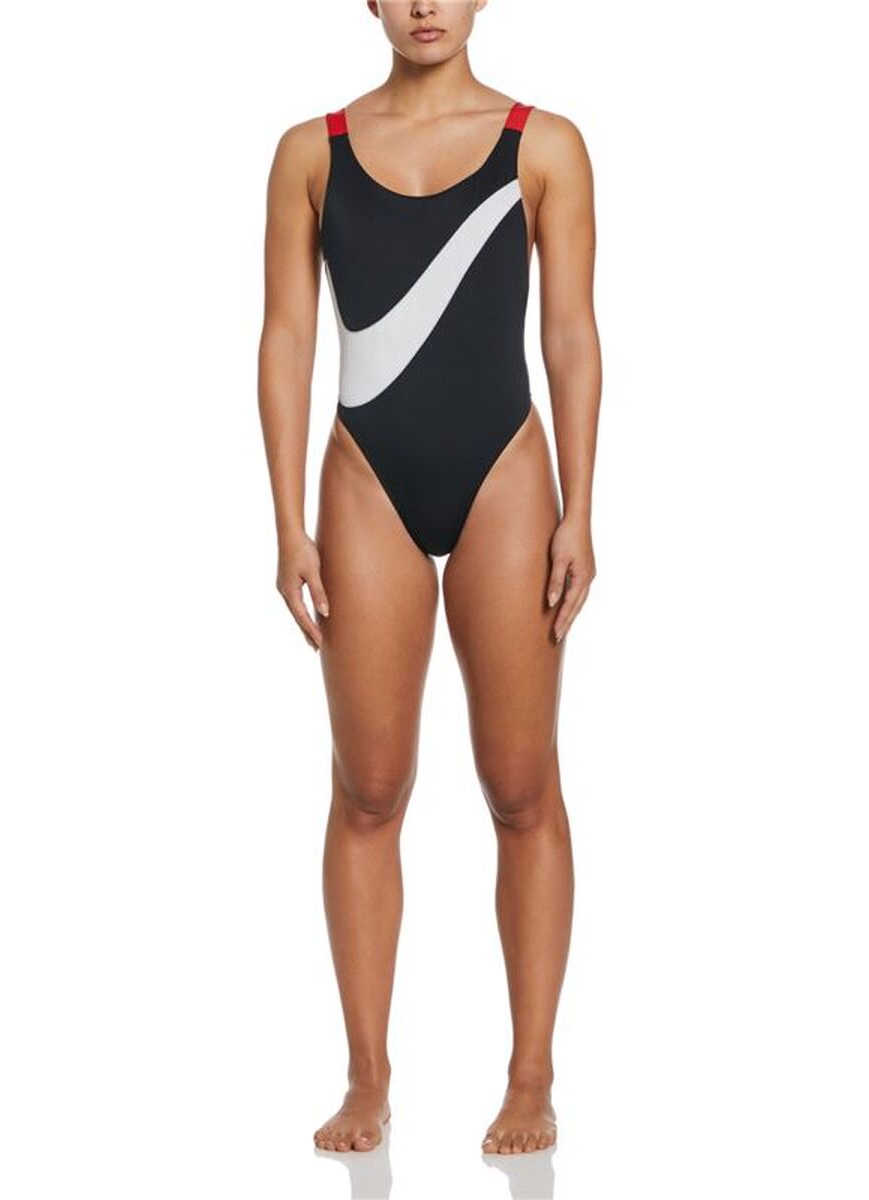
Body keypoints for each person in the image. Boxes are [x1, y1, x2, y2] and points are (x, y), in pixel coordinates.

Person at [257, 0, 601, 1157]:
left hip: (507, 473)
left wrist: (580, 510)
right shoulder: (313, 154)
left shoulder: (542, 145)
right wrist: (287, 525)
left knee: (520, 786)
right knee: (367, 790)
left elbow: (570, 336)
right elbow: (287, 340)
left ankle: (531, 1076)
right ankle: (367, 1078)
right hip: (365, 480)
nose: (423, 5)